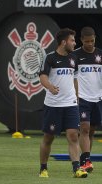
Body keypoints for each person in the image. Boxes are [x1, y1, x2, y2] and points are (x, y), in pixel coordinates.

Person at [39, 28, 87, 178]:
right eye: (72, 40)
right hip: (53, 105)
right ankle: (43, 169)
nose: (75, 43)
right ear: (64, 42)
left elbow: (75, 79)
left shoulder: (74, 59)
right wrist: (50, 86)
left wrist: (77, 97)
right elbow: (43, 77)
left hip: (71, 104)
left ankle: (76, 169)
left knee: (73, 135)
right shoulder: (50, 58)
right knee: (49, 137)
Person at [73, 26, 102, 173]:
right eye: (87, 41)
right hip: (83, 98)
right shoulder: (76, 56)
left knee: (91, 132)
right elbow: (73, 78)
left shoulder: (100, 55)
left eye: (92, 41)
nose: (90, 44)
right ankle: (86, 162)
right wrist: (76, 96)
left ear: (95, 38)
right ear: (81, 40)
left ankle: (86, 159)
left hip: (98, 99)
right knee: (84, 129)